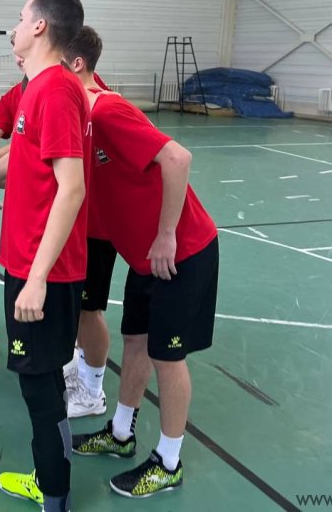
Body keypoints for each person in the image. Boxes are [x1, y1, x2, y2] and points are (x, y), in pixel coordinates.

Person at [0, 0, 90, 512]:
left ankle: (54, 494)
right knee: (42, 382)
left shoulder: (53, 90)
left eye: (19, 18)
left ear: (39, 27)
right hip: (29, 261)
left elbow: (71, 188)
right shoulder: (38, 88)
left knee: (39, 389)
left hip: (43, 270)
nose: (14, 26)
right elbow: (26, 162)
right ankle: (51, 481)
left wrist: (36, 278)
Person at [68, 43, 219, 499]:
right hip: (145, 256)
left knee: (167, 357)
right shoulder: (79, 118)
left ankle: (169, 462)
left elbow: (177, 158)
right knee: (135, 342)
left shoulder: (107, 111)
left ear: (73, 65)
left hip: (180, 252)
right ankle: (120, 433)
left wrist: (167, 234)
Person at [59, 27, 116, 420]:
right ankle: (79, 368)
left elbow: (170, 158)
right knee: (77, 309)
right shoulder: (77, 99)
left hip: (95, 228)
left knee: (89, 310)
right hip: (76, 223)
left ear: (77, 63)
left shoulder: (103, 104)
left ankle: (93, 392)